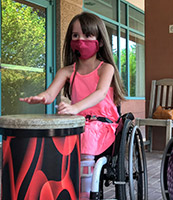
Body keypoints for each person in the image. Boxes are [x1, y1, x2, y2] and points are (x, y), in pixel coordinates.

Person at [20, 12, 125, 198]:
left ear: (99, 41)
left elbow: (100, 93)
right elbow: (50, 95)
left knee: (85, 137)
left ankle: (84, 195)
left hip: (102, 124)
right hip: (78, 124)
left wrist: (75, 108)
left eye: (87, 35)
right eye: (75, 35)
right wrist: (40, 97)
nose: (80, 40)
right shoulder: (67, 71)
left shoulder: (106, 68)